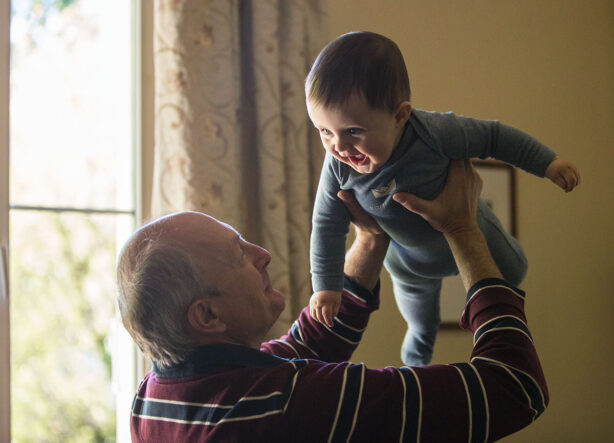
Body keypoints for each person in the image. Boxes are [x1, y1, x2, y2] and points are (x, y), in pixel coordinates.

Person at [117, 160, 548, 442]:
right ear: (207, 315)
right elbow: (514, 386)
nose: (262, 254)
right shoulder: (290, 405)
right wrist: (462, 229)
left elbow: (305, 345)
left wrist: (371, 238)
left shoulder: (154, 399)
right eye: (239, 255)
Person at [307, 30, 581, 365]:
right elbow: (326, 225)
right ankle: (416, 363)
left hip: (472, 228)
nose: (339, 146)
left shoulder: (434, 133)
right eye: (324, 131)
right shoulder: (337, 166)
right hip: (409, 263)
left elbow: (494, 137)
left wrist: (548, 163)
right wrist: (326, 286)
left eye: (353, 131)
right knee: (421, 323)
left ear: (399, 116)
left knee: (515, 271)